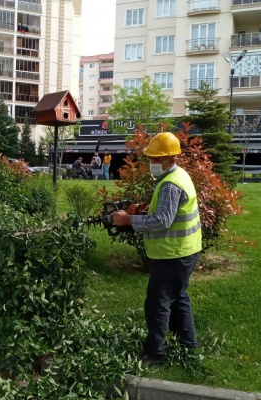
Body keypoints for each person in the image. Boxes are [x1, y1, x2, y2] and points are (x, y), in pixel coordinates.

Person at [112, 132, 202, 365]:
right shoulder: (178, 175)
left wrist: (128, 221)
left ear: (171, 158)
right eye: (151, 159)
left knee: (157, 303)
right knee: (178, 297)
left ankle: (154, 354)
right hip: (185, 250)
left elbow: (162, 220)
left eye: (156, 159)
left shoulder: (171, 184)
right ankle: (188, 345)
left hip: (174, 253)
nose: (152, 163)